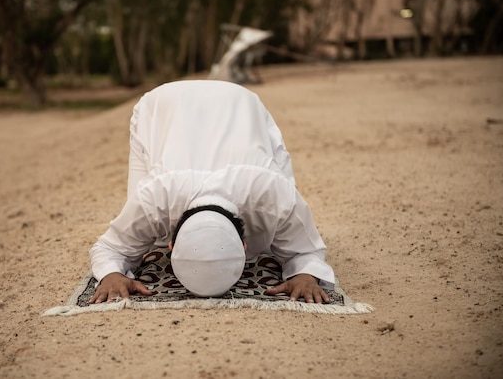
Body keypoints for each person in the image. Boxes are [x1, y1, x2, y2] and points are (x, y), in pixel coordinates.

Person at [89, 80, 335, 304]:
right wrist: (111, 275)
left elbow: (307, 249)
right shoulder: (152, 197)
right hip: (167, 105)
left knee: (276, 236)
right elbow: (109, 247)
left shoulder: (275, 192)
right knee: (150, 238)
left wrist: (305, 275)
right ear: (244, 247)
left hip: (240, 102)